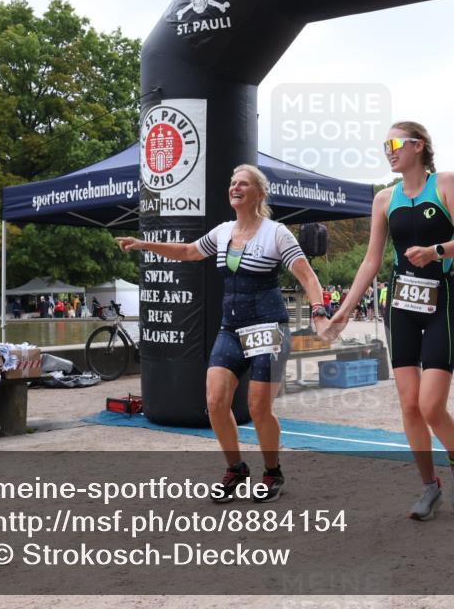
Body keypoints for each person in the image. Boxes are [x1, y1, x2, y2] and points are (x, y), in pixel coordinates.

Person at [117, 164, 329, 504]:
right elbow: (188, 252)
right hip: (231, 328)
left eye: (243, 183)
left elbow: (307, 276)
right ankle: (236, 469)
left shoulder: (276, 233)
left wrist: (319, 311)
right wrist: (145, 244)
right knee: (215, 402)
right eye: (232, 183)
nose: (235, 187)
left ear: (258, 193)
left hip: (267, 327)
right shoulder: (223, 231)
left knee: (259, 407)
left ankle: (273, 472)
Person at [323, 121, 454, 520]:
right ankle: (430, 486)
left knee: (430, 406)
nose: (388, 151)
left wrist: (436, 251)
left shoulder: (445, 183)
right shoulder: (382, 199)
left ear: (418, 146)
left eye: (394, 143)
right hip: (401, 305)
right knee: (409, 405)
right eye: (384, 145)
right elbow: (371, 261)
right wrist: (343, 312)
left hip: (440, 299)